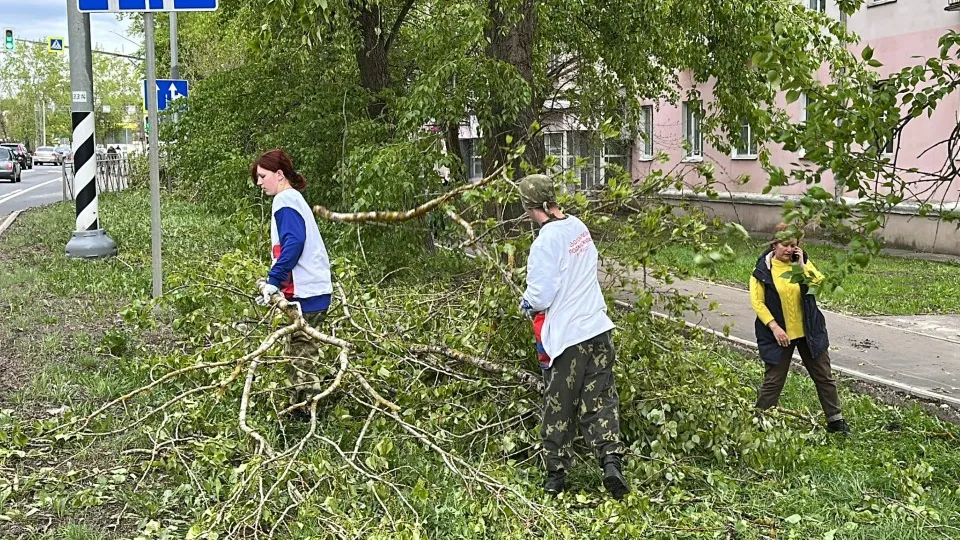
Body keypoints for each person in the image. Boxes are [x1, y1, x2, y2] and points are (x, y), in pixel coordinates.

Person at [517, 174, 629, 499]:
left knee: (559, 406)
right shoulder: (579, 227)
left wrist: (524, 303)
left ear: (529, 207)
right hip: (598, 328)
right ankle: (610, 462)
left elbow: (541, 295)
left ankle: (555, 477)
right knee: (601, 400)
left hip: (569, 340)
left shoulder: (544, 242)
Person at [252, 149, 333, 418]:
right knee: (303, 351)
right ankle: (303, 408)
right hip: (313, 290)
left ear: (279, 174)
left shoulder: (285, 200)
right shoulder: (294, 199)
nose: (259, 183)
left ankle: (305, 416)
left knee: (301, 357)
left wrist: (274, 281)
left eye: (262, 176)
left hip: (306, 293)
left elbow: (293, 244)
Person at [750, 223, 850, 434]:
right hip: (779, 334)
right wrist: (775, 328)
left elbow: (819, 284)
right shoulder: (762, 270)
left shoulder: (801, 265)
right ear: (774, 244)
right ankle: (758, 422)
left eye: (793, 245)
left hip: (809, 332)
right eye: (785, 244)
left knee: (824, 376)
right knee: (774, 380)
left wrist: (803, 265)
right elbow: (758, 303)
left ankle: (836, 422)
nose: (788, 249)